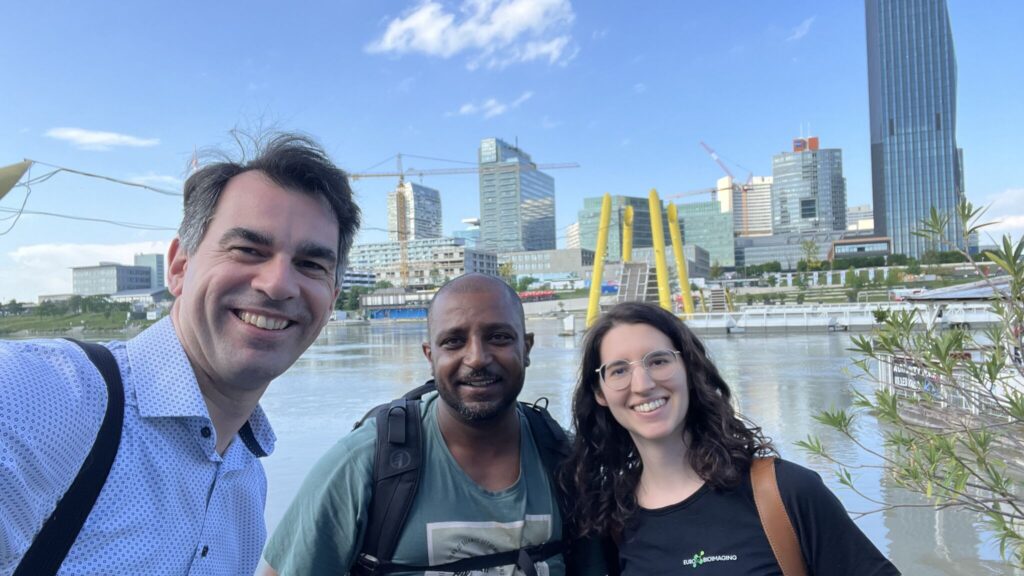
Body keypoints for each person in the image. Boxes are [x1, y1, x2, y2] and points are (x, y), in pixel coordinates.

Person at [0, 132, 360, 575]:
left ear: (332, 297)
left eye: (311, 265)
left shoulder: (246, 484)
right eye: (248, 250)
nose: (279, 284)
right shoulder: (41, 398)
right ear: (179, 267)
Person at [261, 273, 602, 576]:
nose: (477, 358)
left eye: (498, 337)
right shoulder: (365, 463)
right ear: (430, 356)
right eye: (453, 341)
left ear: (526, 348)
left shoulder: (566, 461)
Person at [561, 301, 900, 575]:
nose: (643, 383)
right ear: (600, 392)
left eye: (659, 361)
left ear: (689, 370)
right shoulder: (613, 521)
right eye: (619, 370)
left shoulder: (783, 493)